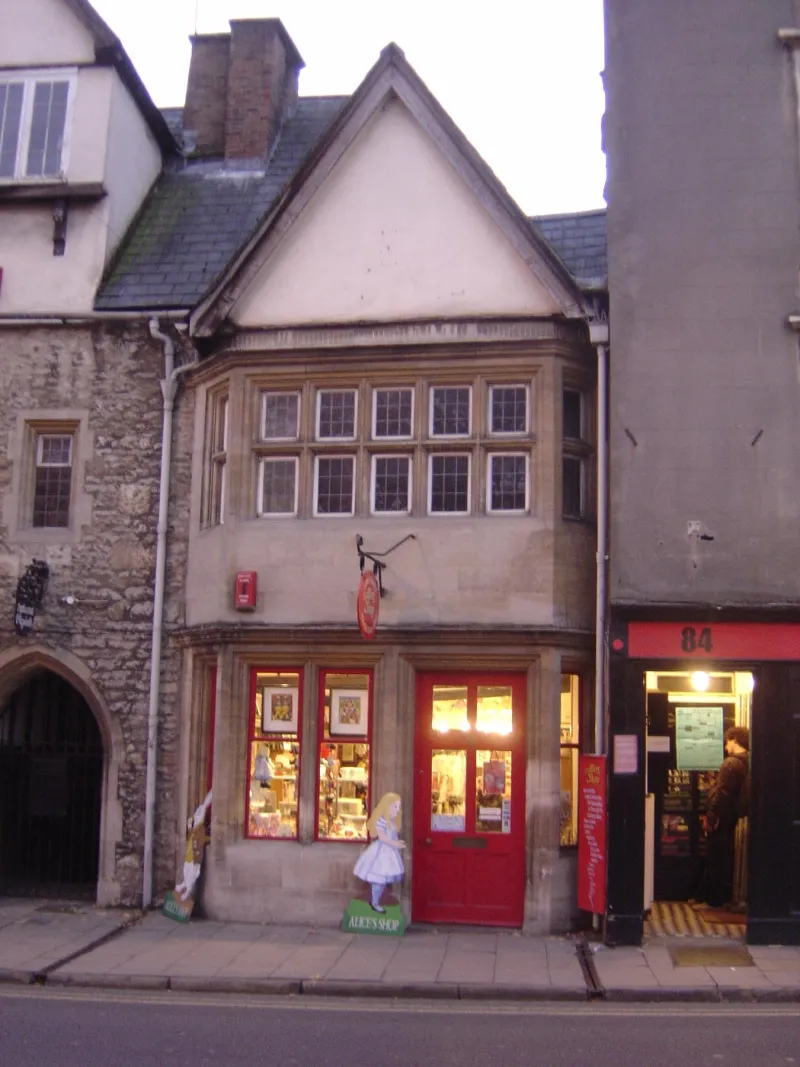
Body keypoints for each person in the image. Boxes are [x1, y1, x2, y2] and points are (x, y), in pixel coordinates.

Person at [694, 726, 750, 910]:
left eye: (727, 742)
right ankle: (706, 897)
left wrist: (711, 818)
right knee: (721, 856)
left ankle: (713, 901)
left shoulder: (731, 764)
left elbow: (721, 793)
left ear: (734, 740)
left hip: (721, 816)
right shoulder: (748, 761)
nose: (726, 747)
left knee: (716, 857)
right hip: (731, 815)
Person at [353, 792, 405, 913]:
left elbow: (392, 835)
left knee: (382, 879)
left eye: (399, 807)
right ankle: (375, 902)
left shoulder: (392, 821)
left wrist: (396, 843)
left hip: (389, 852)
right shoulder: (381, 820)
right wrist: (394, 843)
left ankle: (376, 900)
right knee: (378, 877)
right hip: (381, 852)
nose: (397, 810)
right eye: (395, 806)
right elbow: (382, 836)